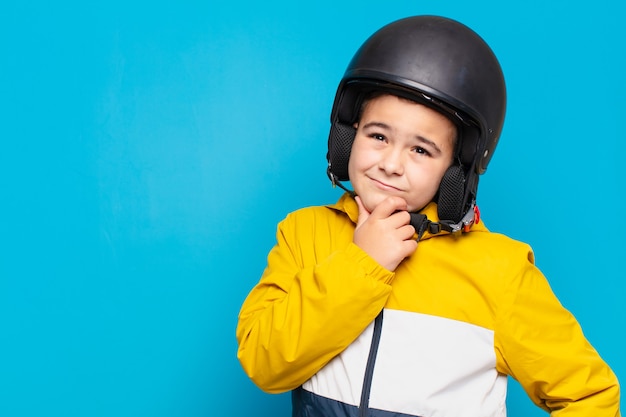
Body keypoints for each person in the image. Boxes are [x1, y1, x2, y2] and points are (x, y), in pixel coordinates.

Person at [235, 15, 620, 417]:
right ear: (347, 135)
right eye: (378, 136)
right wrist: (360, 264)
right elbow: (265, 364)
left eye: (421, 150)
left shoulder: (499, 273)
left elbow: (590, 396)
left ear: (456, 168)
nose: (391, 164)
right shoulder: (304, 235)